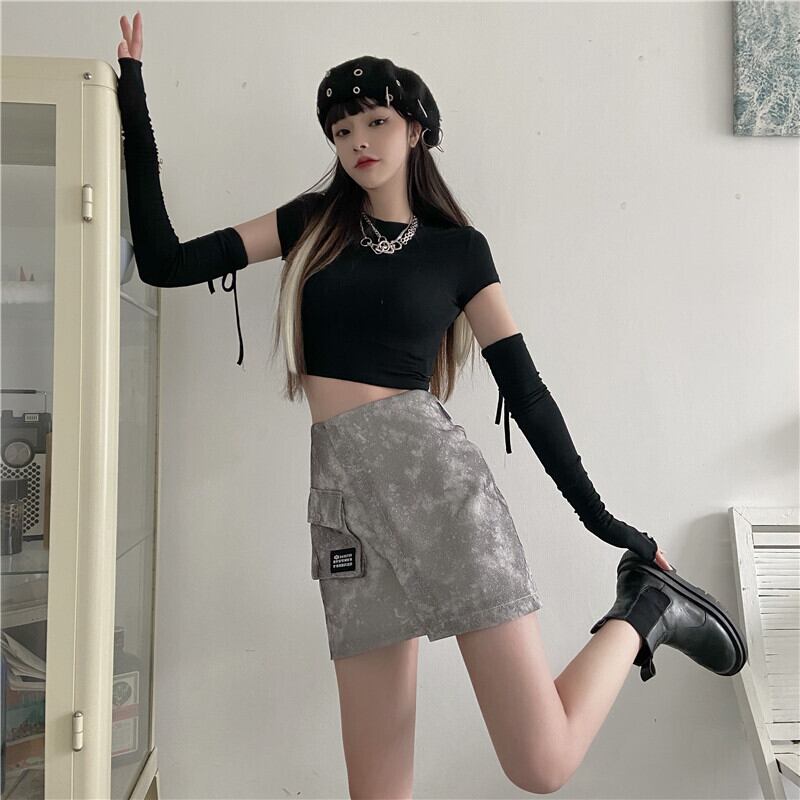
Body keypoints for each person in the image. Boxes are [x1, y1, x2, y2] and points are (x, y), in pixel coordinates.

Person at [116, 12, 747, 797]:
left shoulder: (459, 252)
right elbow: (165, 261)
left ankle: (646, 609)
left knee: (540, 762)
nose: (358, 141)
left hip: (439, 493)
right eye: (342, 130)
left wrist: (604, 522)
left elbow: (527, 392)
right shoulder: (312, 225)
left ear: (415, 128)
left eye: (375, 121)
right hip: (344, 507)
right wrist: (132, 102)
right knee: (377, 788)